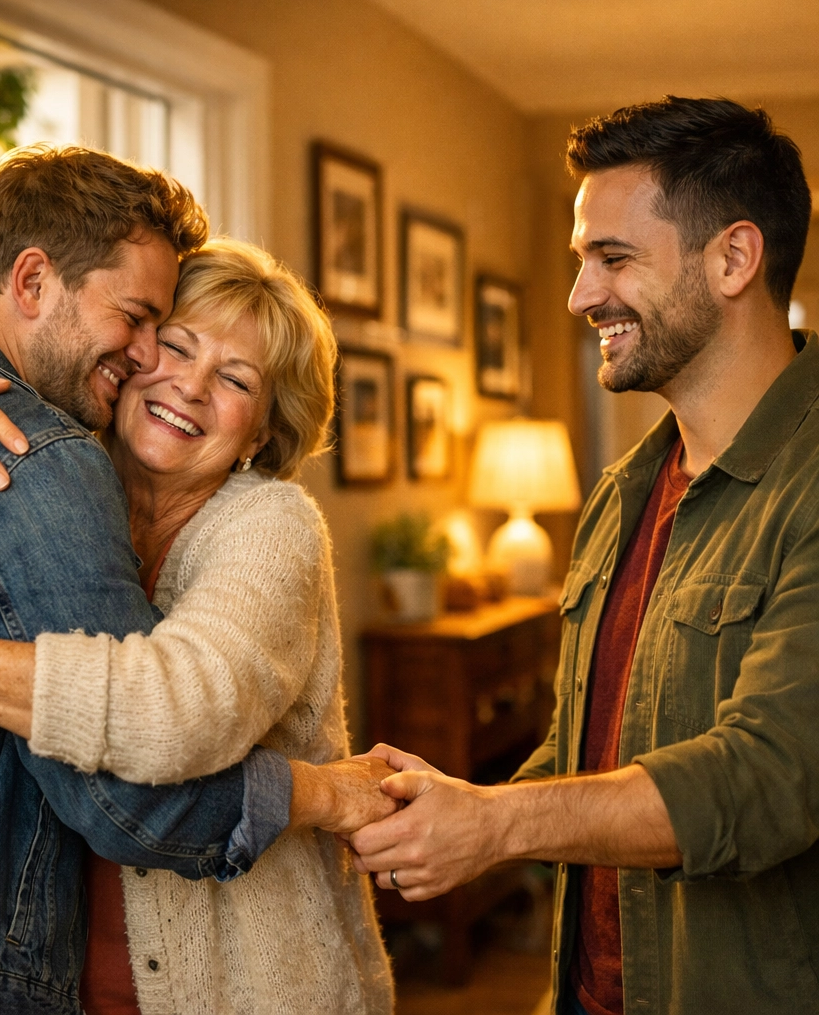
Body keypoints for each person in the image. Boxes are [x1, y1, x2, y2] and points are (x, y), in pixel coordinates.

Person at [0, 145, 394, 1015]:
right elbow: (134, 809)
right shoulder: (36, 463)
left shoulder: (267, 526)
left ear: (264, 430)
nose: (165, 368)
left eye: (234, 379)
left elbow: (172, 709)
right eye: (156, 330)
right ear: (32, 280)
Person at [346, 96, 819, 1015]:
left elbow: (769, 778)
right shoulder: (624, 492)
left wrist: (498, 824)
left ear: (733, 257)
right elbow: (587, 749)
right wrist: (440, 808)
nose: (579, 297)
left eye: (614, 258)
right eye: (580, 261)